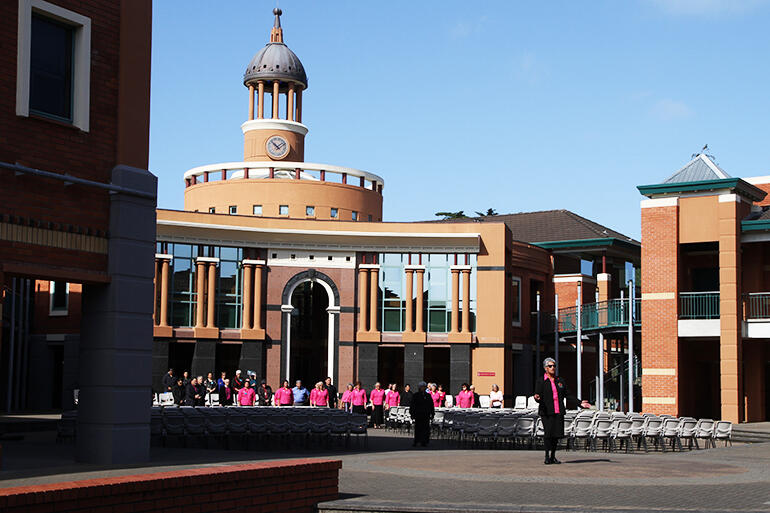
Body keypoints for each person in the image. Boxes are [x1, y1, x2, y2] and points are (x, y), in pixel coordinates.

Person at [534, 357, 591, 465]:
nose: (553, 368)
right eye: (550, 366)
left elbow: (568, 394)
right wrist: (537, 397)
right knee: (548, 434)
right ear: (545, 368)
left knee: (556, 435)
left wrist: (580, 403)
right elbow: (538, 395)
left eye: (554, 366)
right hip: (546, 411)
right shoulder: (541, 381)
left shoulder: (560, 381)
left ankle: (553, 456)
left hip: (558, 411)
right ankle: (546, 456)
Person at [409, 381, 434, 447]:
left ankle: (424, 441)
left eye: (424, 387)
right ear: (419, 388)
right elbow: (412, 405)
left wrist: (432, 413)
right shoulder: (416, 395)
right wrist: (412, 414)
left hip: (426, 414)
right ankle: (416, 441)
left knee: (425, 429)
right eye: (422, 387)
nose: (423, 388)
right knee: (418, 428)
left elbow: (431, 405)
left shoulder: (428, 396)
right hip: (418, 414)